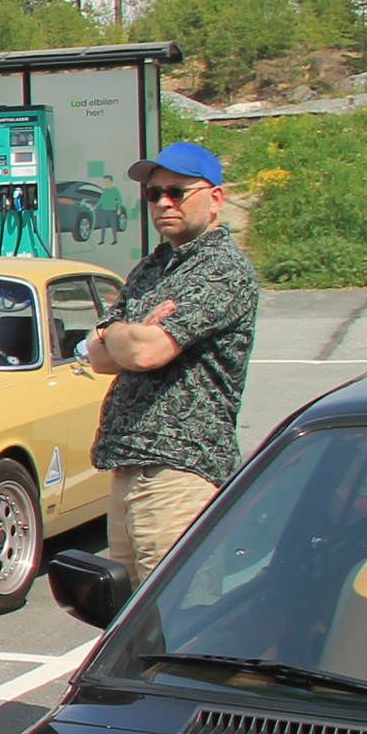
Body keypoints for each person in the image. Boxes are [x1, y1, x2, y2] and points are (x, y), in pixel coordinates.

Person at [85, 141, 259, 585]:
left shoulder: (221, 268)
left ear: (214, 198)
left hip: (179, 473)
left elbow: (144, 352)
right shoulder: (153, 267)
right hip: (129, 469)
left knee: (176, 608)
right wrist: (126, 332)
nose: (163, 202)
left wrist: (116, 330)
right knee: (126, 610)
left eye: (176, 192)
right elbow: (98, 356)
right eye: (153, 193)